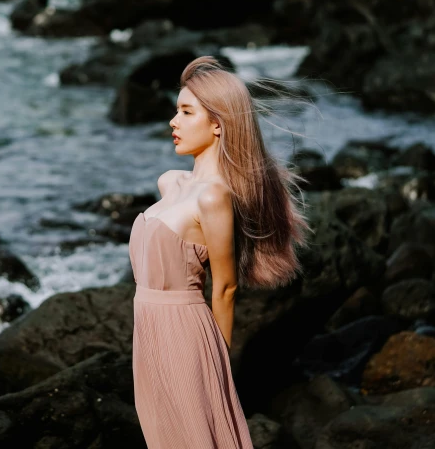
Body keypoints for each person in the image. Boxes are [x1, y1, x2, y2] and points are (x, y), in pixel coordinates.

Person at [128, 56, 309, 448]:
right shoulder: (170, 182)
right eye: (176, 111)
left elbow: (225, 288)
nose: (173, 122)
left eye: (186, 112)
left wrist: (218, 366)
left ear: (217, 124)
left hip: (186, 337)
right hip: (147, 333)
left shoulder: (214, 197)